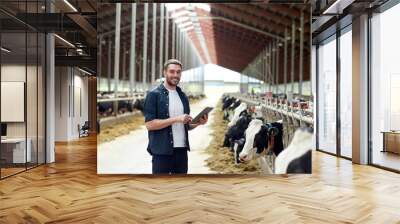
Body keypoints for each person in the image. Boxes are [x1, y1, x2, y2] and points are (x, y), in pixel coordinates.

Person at [143, 59, 208, 174]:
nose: (175, 75)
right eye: (172, 71)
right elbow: (149, 125)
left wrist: (198, 123)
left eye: (178, 72)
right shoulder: (154, 95)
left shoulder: (183, 96)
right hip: (162, 152)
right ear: (165, 73)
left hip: (181, 151)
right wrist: (176, 119)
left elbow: (186, 126)